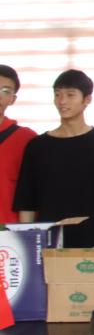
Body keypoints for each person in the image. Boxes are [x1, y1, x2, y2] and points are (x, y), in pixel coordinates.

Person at [14, 69, 94, 247]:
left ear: (87, 99)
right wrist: (28, 245)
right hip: (50, 242)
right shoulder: (38, 146)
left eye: (70, 95)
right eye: (57, 95)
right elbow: (27, 202)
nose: (62, 101)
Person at [0, 65, 37, 224]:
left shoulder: (27, 139)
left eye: (5, 91)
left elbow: (36, 192)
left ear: (13, 99)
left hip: (11, 234)